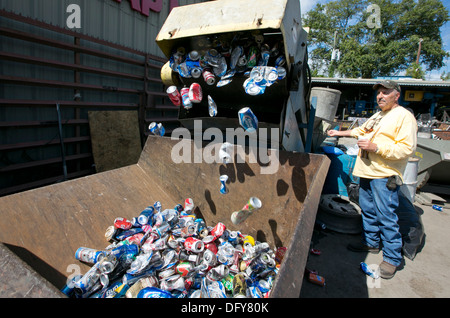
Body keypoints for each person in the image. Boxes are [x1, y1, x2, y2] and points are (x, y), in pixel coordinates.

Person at [327, 80, 418, 279]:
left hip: (384, 174)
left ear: (397, 95)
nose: (380, 96)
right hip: (367, 171)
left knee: (386, 215)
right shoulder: (378, 115)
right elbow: (361, 131)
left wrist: (375, 148)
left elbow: (407, 149)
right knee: (368, 210)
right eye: (379, 93)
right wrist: (339, 132)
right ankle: (371, 242)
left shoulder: (404, 117)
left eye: (385, 92)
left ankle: (392, 259)